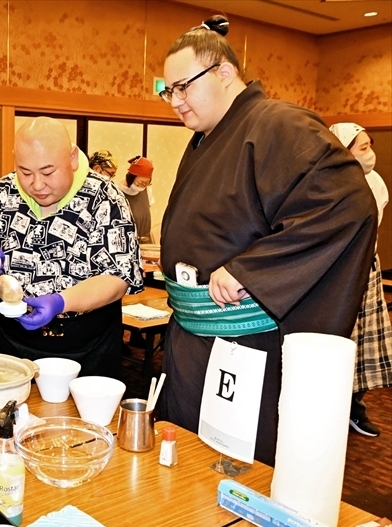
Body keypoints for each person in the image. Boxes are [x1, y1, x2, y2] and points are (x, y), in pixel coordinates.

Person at [158, 16, 377, 466]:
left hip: (245, 338)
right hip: (193, 334)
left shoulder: (278, 124)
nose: (175, 101)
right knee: (185, 452)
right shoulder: (207, 138)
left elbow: (347, 204)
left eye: (183, 87)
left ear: (223, 72)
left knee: (235, 466)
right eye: (169, 90)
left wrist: (251, 270)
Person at [0, 117, 143, 380]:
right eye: (25, 172)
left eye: (47, 172)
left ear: (73, 158)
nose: (37, 185)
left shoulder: (105, 199)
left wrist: (61, 302)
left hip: (88, 342)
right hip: (15, 338)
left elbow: (119, 277)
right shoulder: (1, 196)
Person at [330, 122, 391, 438]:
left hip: (366, 269)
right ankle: (328, 411)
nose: (371, 154)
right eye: (363, 147)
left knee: (365, 343)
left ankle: (355, 408)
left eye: (370, 146)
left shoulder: (376, 183)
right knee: (336, 342)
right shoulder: (327, 183)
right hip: (336, 276)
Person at [92, 152, 156, 244]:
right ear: (132, 177)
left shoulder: (147, 191)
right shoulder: (116, 192)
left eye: (146, 183)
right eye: (141, 182)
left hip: (146, 243)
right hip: (126, 243)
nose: (143, 186)